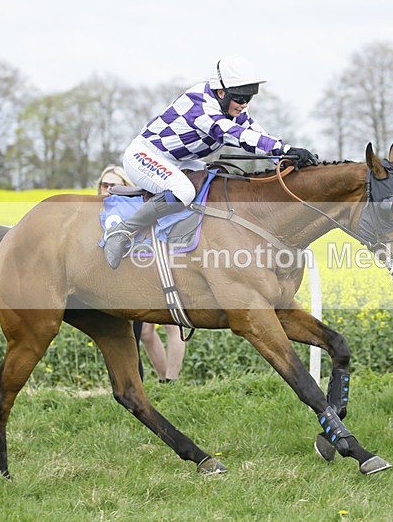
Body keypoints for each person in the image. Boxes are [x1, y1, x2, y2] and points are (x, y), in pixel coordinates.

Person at [102, 55, 319, 269]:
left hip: (179, 161)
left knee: (216, 183)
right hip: (144, 156)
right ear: (221, 92)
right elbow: (233, 134)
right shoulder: (200, 103)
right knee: (184, 191)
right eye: (240, 98)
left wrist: (285, 156)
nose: (244, 104)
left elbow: (255, 133)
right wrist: (282, 148)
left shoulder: (233, 109)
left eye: (249, 98)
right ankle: (121, 232)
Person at [97, 166, 186, 383]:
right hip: (138, 277)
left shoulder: (137, 207)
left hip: (159, 268)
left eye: (115, 185)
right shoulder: (102, 212)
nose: (109, 189)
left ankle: (171, 381)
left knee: (172, 328)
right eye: (105, 185)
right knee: (146, 333)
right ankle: (164, 380)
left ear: (127, 188)